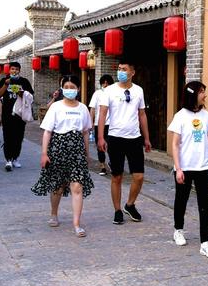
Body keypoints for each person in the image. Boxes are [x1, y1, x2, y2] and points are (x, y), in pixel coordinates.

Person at [31, 75, 94, 237]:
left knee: (77, 187)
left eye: (73, 87)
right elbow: (47, 132)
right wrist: (44, 153)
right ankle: (54, 213)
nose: (69, 90)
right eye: (66, 87)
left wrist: (87, 154)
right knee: (58, 186)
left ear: (78, 89)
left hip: (77, 151)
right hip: (58, 148)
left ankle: (77, 224)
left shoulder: (83, 108)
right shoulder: (56, 107)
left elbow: (86, 133)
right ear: (61, 88)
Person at [97, 60, 151, 225]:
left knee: (139, 176)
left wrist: (147, 138)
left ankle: (130, 204)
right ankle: (117, 210)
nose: (121, 72)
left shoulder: (138, 90)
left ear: (132, 72)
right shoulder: (109, 91)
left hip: (134, 138)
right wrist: (100, 137)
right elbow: (102, 114)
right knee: (117, 176)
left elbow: (142, 115)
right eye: (119, 69)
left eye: (124, 69)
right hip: (115, 138)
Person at [168, 81, 208, 258]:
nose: (205, 95)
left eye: (204, 91)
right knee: (181, 200)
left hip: (203, 166)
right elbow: (175, 145)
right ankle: (178, 230)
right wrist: (178, 168)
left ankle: (205, 242)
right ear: (192, 95)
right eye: (202, 92)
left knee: (205, 205)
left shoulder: (206, 116)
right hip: (185, 167)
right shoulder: (180, 116)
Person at [0, 62, 34, 171]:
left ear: (19, 70)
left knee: (18, 137)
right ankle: (8, 160)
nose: (14, 71)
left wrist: (21, 93)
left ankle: (15, 158)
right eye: (12, 69)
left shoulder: (24, 81)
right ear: (9, 70)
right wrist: (6, 85)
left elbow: (31, 96)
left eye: (16, 69)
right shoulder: (4, 81)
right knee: (8, 137)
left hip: (20, 115)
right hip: (7, 115)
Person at [88, 74, 114, 175]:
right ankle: (102, 166)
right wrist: (90, 123)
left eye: (107, 82)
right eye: (104, 82)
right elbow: (92, 109)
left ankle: (112, 163)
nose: (105, 84)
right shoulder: (97, 93)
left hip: (112, 124)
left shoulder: (114, 94)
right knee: (100, 146)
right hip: (99, 124)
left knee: (111, 146)